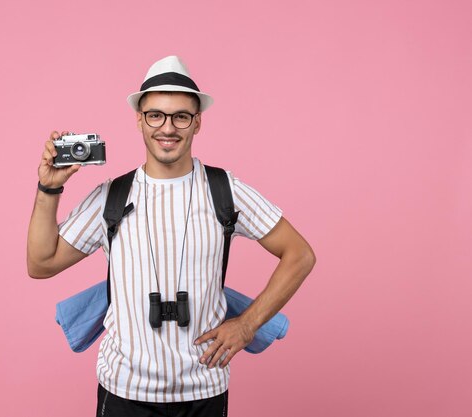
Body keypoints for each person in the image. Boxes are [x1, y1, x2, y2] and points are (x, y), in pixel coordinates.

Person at [27, 56, 316, 417]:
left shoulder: (225, 190)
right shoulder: (111, 196)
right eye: (156, 115)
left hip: (204, 389)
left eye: (181, 116)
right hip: (123, 392)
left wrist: (247, 325)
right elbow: (40, 263)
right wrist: (47, 189)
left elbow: (300, 255)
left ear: (197, 123)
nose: (168, 128)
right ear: (139, 120)